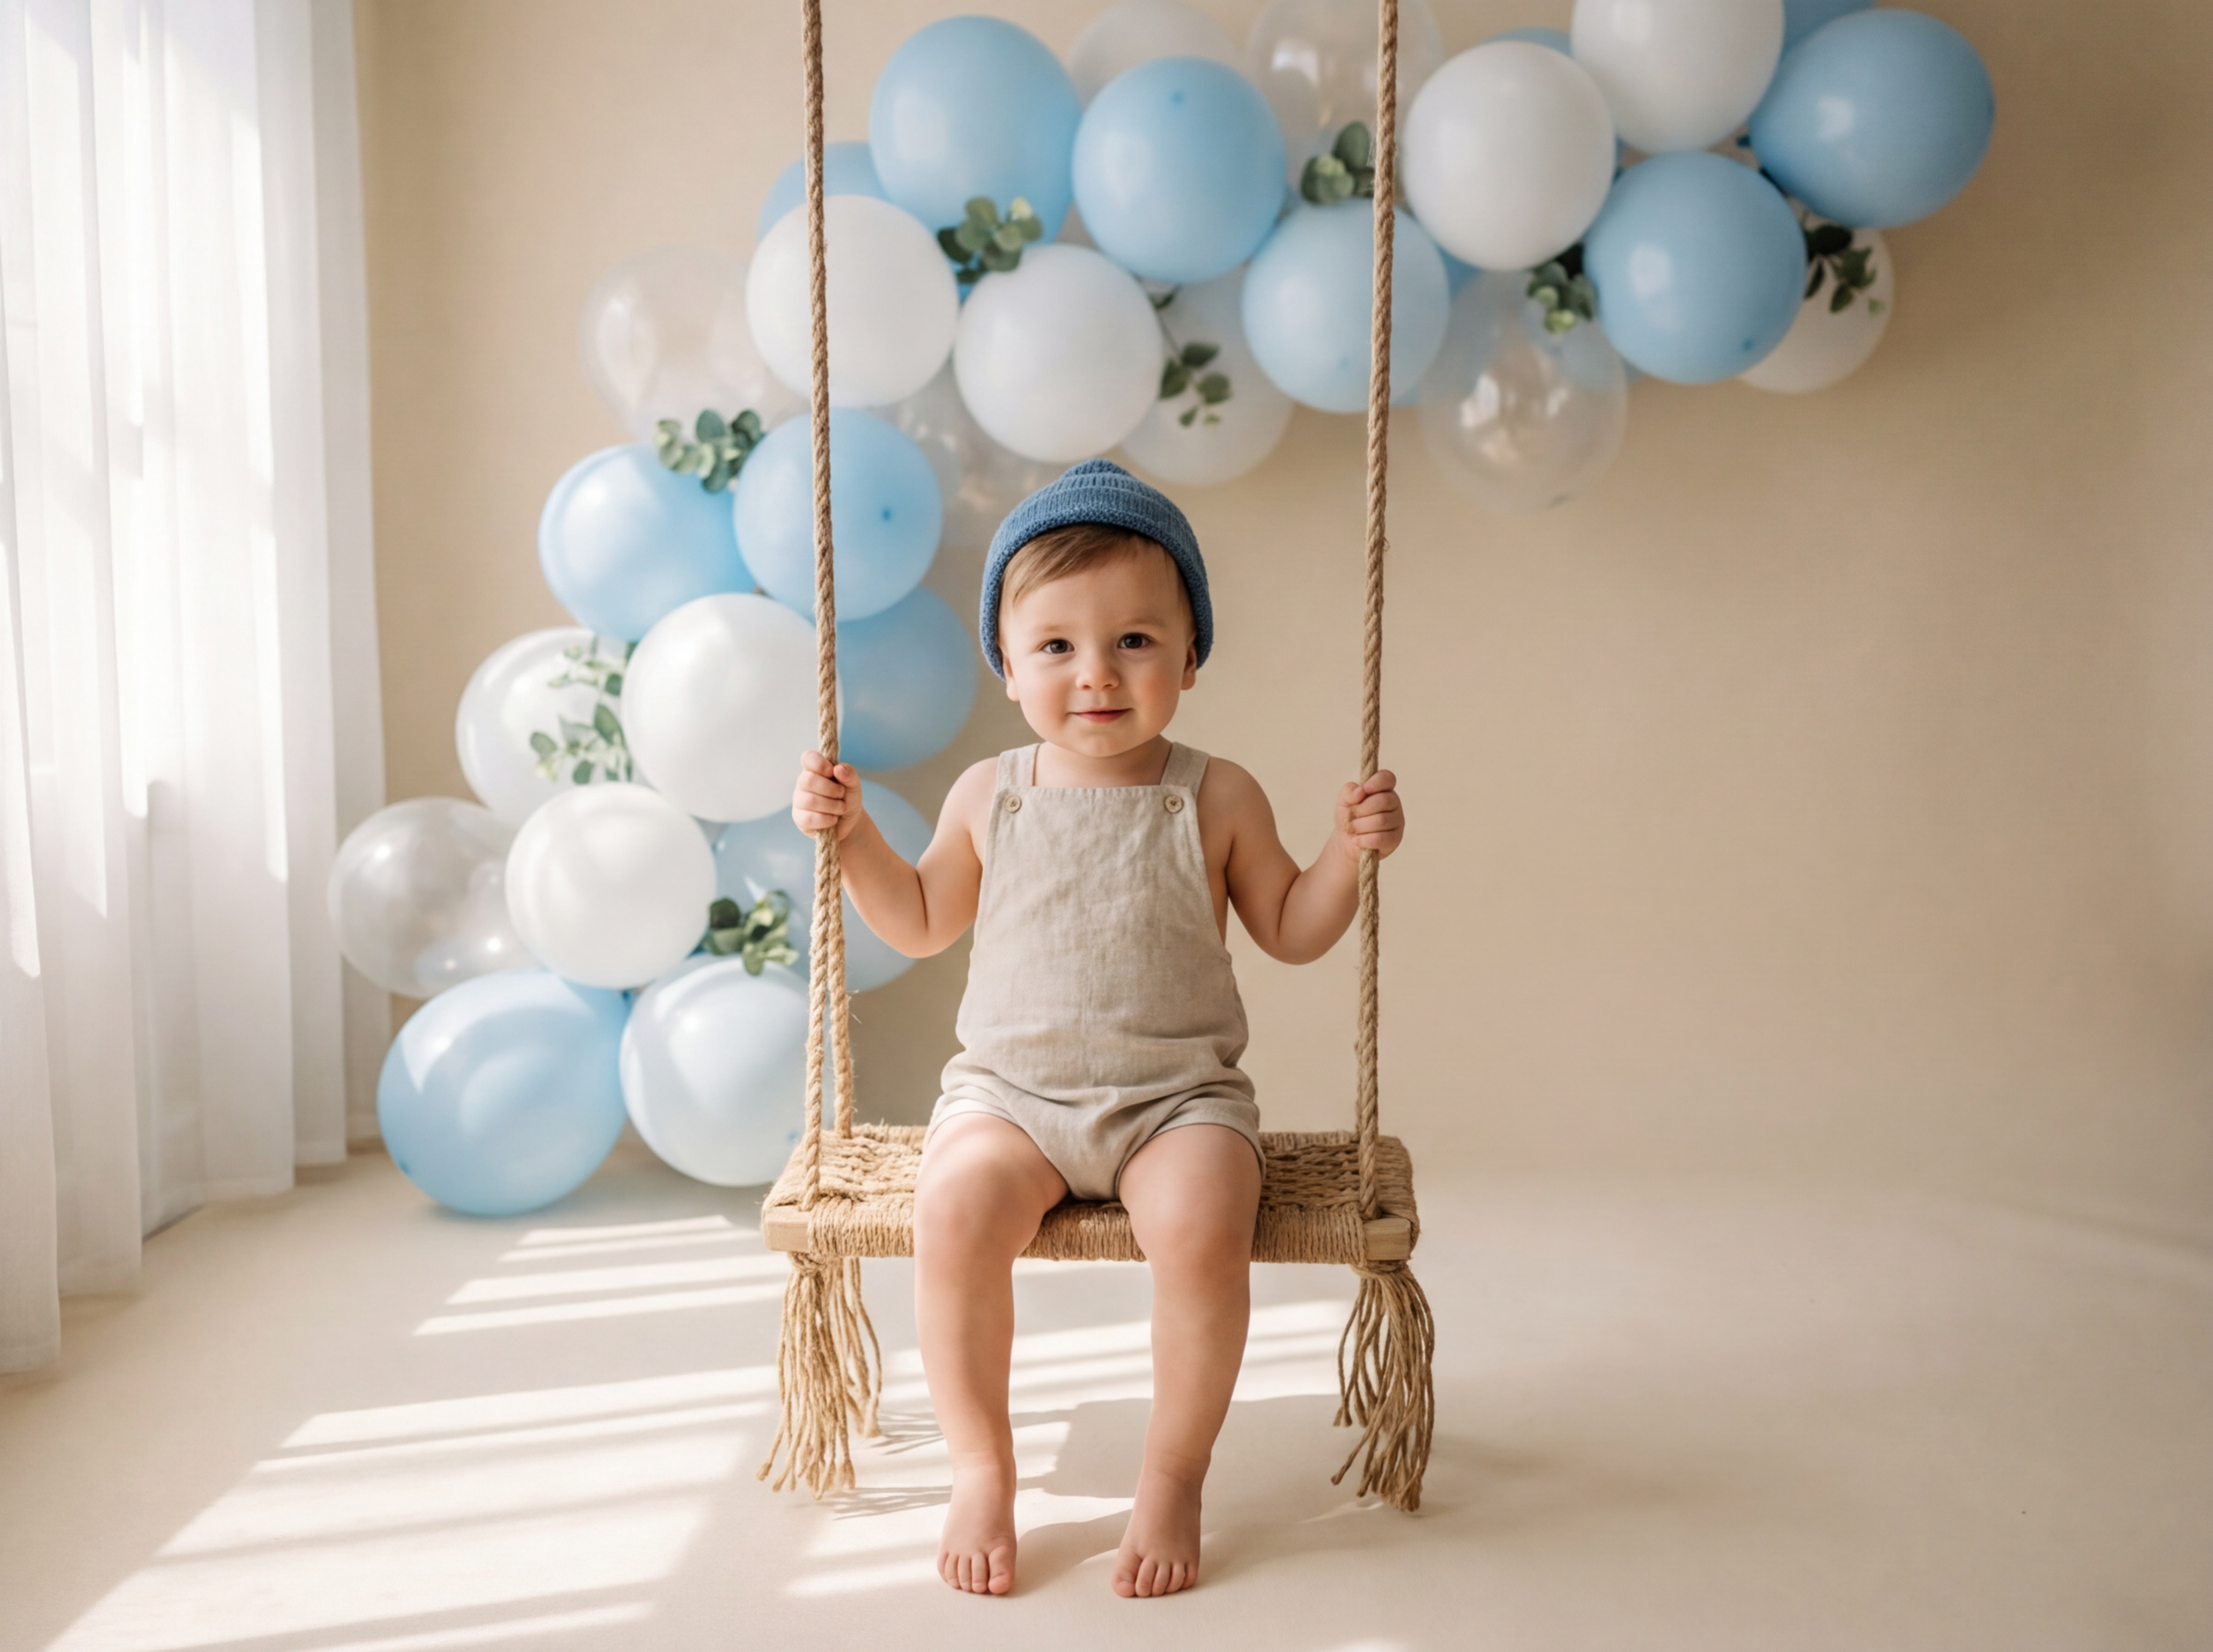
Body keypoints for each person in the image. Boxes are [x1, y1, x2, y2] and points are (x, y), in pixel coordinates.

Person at [791, 460, 1405, 1599]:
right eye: (1057, 645)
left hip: (1177, 1103)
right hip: (1011, 1101)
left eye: (1134, 640)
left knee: (1208, 1224)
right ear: (1007, 662)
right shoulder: (989, 793)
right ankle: (983, 1467)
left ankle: (1173, 1474)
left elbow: (1290, 927)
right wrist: (855, 840)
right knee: (952, 1210)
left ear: (1190, 653)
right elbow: (918, 920)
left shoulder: (1218, 794)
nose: (1097, 673)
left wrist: (1346, 855)